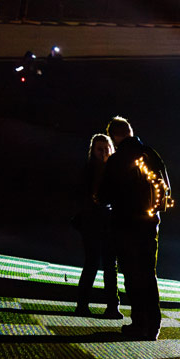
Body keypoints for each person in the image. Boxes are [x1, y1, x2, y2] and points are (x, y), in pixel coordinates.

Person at [98, 116, 172, 340]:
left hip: (125, 225)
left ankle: (139, 323)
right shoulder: (152, 154)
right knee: (149, 274)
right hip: (150, 224)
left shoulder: (117, 159)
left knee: (131, 275)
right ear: (130, 131)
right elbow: (166, 190)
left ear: (114, 136)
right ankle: (154, 324)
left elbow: (104, 195)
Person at [74, 133, 121, 319]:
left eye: (106, 148)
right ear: (93, 151)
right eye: (99, 149)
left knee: (110, 266)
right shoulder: (89, 169)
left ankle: (112, 306)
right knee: (92, 263)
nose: (103, 152)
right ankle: (82, 305)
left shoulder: (115, 169)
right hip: (92, 222)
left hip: (110, 222)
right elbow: (85, 196)